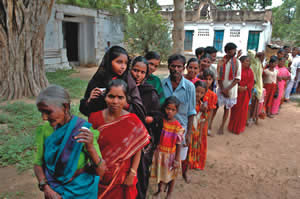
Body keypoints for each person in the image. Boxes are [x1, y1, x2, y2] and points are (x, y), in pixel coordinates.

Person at [33, 85, 106, 199]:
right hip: (53, 191)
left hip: (81, 191)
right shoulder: (44, 131)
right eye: (41, 112)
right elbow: (38, 163)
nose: (44, 118)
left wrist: (90, 147)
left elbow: (101, 171)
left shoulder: (83, 130)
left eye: (48, 112)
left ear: (65, 107)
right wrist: (46, 188)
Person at [88, 79, 150, 199]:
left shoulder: (133, 121)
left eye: (120, 97)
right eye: (111, 96)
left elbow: (137, 149)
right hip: (99, 175)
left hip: (122, 177)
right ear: (105, 97)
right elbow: (89, 147)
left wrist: (132, 173)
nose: (115, 102)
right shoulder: (94, 118)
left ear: (126, 99)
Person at [79, 46, 146, 121]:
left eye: (126, 63)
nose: (123, 66)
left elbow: (140, 111)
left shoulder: (128, 81)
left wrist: (125, 105)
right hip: (103, 125)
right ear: (109, 61)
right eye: (119, 62)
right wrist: (89, 100)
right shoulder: (99, 79)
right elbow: (86, 111)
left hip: (125, 124)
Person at [130, 56, 163, 199]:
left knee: (140, 175)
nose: (138, 75)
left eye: (142, 72)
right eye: (135, 70)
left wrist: (151, 119)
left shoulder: (150, 92)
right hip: (123, 140)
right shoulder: (122, 89)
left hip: (143, 142)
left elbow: (158, 117)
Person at [161, 54, 196, 183]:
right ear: (168, 67)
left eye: (179, 66)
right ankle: (163, 182)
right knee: (165, 156)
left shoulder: (190, 87)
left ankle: (183, 174)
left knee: (180, 156)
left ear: (184, 68)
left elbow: (191, 111)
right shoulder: (162, 84)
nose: (176, 69)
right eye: (173, 66)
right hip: (165, 128)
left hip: (181, 129)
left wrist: (189, 134)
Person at [151, 96, 184, 199]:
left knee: (172, 175)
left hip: (171, 154)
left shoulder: (177, 126)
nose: (169, 111)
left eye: (173, 110)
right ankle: (159, 190)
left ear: (177, 111)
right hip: (160, 152)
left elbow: (178, 144)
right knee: (161, 173)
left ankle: (169, 193)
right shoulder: (161, 121)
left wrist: (177, 159)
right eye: (168, 108)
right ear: (164, 108)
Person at [216, 43, 242, 135]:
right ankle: (210, 125)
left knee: (227, 109)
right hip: (221, 89)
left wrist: (227, 89)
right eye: (232, 50)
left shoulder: (237, 63)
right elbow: (218, 77)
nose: (234, 52)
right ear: (227, 51)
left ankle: (222, 127)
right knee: (215, 107)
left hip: (231, 90)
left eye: (235, 50)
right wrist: (223, 89)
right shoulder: (221, 61)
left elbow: (237, 79)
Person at [228, 56, 254, 134]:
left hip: (245, 93)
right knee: (235, 110)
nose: (248, 63)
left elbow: (251, 82)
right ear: (241, 62)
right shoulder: (236, 71)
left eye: (249, 61)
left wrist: (246, 87)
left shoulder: (250, 71)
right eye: (246, 61)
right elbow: (231, 80)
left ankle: (240, 128)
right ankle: (232, 127)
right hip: (237, 92)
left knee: (243, 111)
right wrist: (238, 87)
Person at [186, 81, 208, 170]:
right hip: (188, 129)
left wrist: (200, 135)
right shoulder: (188, 103)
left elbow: (202, 120)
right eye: (197, 91)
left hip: (196, 130)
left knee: (194, 146)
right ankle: (186, 164)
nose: (198, 94)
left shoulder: (202, 106)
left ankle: (192, 163)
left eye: (201, 93)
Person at [248, 50, 265, 125]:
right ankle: (250, 117)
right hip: (254, 86)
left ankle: (253, 117)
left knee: (255, 103)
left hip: (258, 86)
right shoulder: (252, 65)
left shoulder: (258, 64)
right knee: (252, 103)